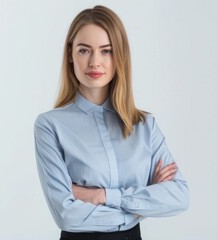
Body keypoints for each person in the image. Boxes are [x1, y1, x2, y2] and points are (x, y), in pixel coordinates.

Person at [34, 5, 189, 240]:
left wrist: (102, 196)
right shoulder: (50, 126)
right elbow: (66, 215)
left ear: (120, 56)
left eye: (106, 51)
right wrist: (142, 206)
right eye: (84, 50)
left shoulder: (145, 126)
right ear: (70, 55)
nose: (95, 62)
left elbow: (179, 196)